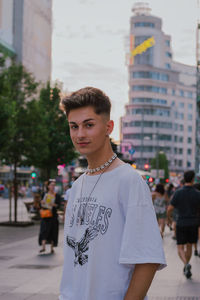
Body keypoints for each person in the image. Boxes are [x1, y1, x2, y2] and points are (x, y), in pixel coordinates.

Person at [59, 87, 166, 300]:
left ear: (108, 127)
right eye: (74, 126)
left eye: (89, 125)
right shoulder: (77, 186)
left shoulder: (129, 181)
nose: (80, 134)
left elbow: (147, 259)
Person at [167, 170, 200, 279]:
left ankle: (186, 264)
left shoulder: (178, 192)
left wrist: (170, 218)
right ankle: (187, 264)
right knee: (189, 245)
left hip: (181, 222)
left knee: (180, 247)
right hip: (193, 223)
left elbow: (170, 209)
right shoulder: (197, 193)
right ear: (193, 179)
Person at [38, 179, 61, 254]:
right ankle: (43, 246)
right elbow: (40, 204)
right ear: (48, 186)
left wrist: (54, 205)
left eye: (54, 185)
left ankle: (52, 248)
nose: (53, 186)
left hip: (53, 215)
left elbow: (58, 205)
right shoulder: (44, 194)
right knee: (44, 230)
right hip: (45, 215)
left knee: (52, 231)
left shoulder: (56, 195)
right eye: (51, 185)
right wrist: (41, 203)